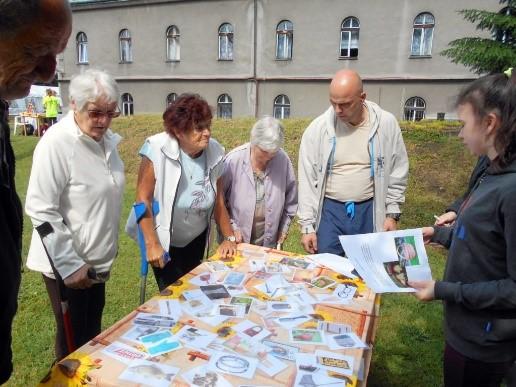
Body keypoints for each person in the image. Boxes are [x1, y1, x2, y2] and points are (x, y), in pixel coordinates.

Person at [411, 73, 516, 387]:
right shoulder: (491, 171)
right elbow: (484, 241)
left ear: (489, 123)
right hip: (465, 329)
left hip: (482, 342)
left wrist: (443, 290)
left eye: (463, 123)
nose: (459, 134)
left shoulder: (511, 191)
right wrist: (439, 234)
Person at [25, 69, 125, 361]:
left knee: (91, 337)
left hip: (96, 263)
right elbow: (40, 208)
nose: (104, 121)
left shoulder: (107, 141)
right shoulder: (56, 143)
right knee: (73, 345)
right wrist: (68, 265)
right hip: (67, 268)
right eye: (95, 113)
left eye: (110, 113)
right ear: (73, 104)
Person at [0, 0, 71, 382]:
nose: (48, 72)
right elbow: (40, 207)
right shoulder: (56, 141)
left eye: (56, 54)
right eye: (34, 51)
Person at [128, 94, 236, 291]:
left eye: (208, 126)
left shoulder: (216, 152)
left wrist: (229, 238)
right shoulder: (156, 148)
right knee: (174, 295)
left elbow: (219, 201)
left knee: (194, 291)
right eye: (199, 127)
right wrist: (152, 243)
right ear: (178, 131)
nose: (207, 133)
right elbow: (142, 200)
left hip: (196, 237)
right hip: (164, 239)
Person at [297, 69, 409, 255]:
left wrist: (392, 214)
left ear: (362, 97)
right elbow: (307, 180)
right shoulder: (317, 130)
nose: (338, 110)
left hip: (369, 209)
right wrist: (307, 226)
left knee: (366, 269)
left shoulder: (386, 125)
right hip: (330, 212)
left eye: (345, 104)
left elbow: (398, 171)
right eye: (333, 103)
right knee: (328, 270)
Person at [219, 116, 297, 248]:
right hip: (237, 241)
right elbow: (219, 201)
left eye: (273, 153)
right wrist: (231, 227)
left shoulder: (282, 160)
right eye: (264, 151)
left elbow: (291, 200)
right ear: (253, 142)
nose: (268, 157)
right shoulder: (233, 161)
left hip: (269, 243)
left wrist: (284, 227)